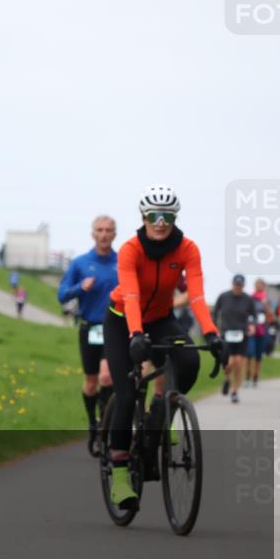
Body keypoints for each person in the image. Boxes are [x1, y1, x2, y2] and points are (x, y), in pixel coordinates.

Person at [103, 185, 221, 509]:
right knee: (126, 394)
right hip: (121, 319)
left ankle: (160, 412)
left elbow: (196, 295)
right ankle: (121, 475)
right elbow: (130, 295)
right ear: (143, 217)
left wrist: (212, 334)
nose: (160, 222)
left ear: (174, 218)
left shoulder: (187, 249)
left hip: (160, 319)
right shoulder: (130, 249)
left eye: (166, 216)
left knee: (189, 361)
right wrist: (135, 334)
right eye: (153, 215)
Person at [57, 215, 119, 456]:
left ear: (115, 234)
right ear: (93, 234)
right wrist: (79, 288)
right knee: (91, 382)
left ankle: (105, 425)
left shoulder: (121, 262)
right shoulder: (80, 263)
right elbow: (62, 295)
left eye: (109, 230)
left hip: (113, 328)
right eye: (100, 230)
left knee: (107, 377)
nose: (104, 234)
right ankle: (93, 424)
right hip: (89, 327)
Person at [213, 275, 256, 404]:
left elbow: (254, 315)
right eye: (236, 284)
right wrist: (214, 327)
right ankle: (227, 379)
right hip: (226, 334)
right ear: (232, 284)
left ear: (243, 286)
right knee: (228, 364)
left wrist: (252, 326)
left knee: (238, 363)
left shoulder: (248, 299)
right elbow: (215, 312)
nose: (238, 287)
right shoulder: (224, 296)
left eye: (240, 285)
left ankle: (234, 391)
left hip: (242, 335)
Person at [245, 278, 276, 387]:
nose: (258, 286)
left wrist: (266, 305)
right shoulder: (250, 298)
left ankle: (255, 378)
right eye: (256, 284)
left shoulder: (267, 299)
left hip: (262, 331)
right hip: (251, 329)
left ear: (263, 286)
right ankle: (247, 377)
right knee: (249, 354)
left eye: (260, 284)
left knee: (258, 356)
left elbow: (271, 316)